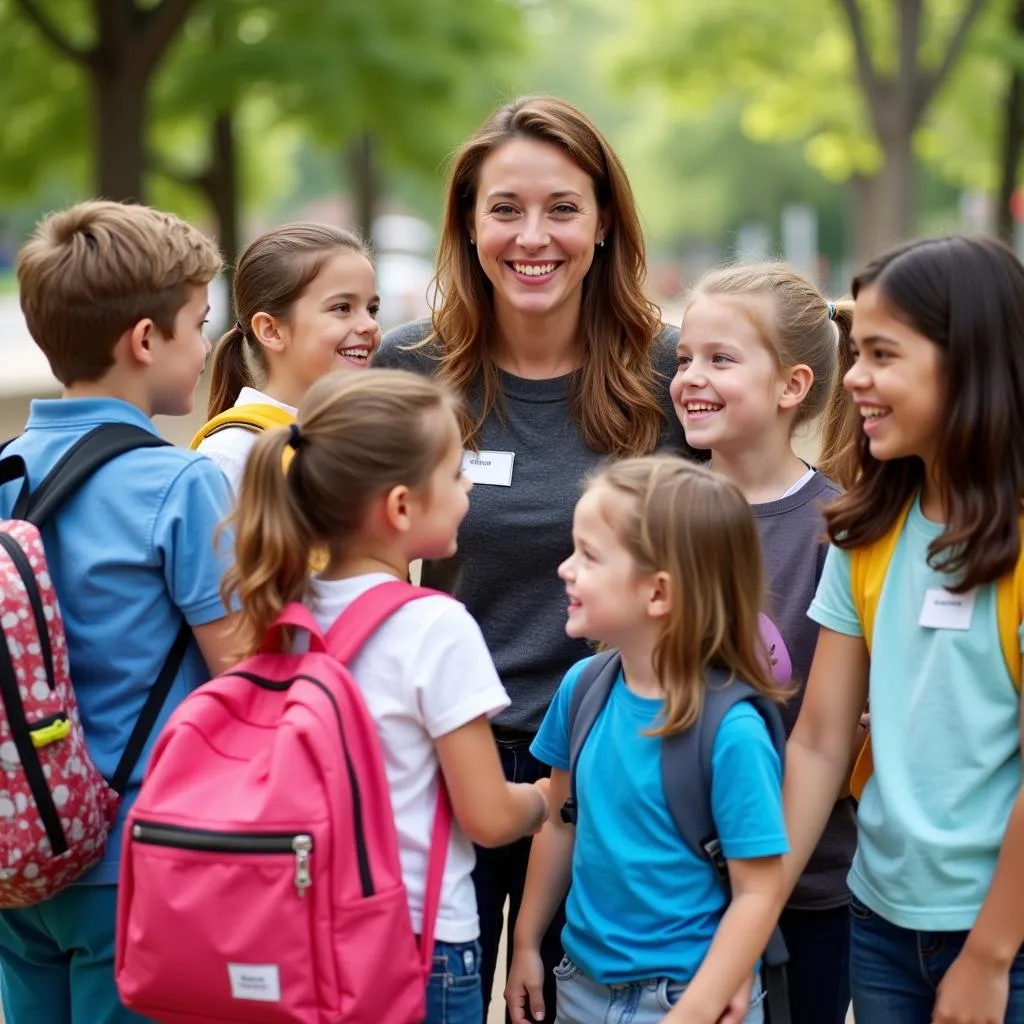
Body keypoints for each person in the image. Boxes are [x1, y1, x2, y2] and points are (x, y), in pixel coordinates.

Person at [375, 95, 692, 1020]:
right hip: (441, 769)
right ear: (469, 225)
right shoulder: (412, 370)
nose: (533, 236)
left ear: (603, 224)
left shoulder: (673, 373)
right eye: (505, 209)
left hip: (615, 780)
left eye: (562, 208)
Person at [223, 368, 551, 1024]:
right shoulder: (435, 625)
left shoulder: (280, 607)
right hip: (416, 945)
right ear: (401, 507)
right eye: (457, 477)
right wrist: (544, 802)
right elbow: (485, 815)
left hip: (304, 925)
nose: (467, 493)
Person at [0, 200, 237, 1023]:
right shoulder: (180, 483)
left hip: (19, 848)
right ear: (144, 340)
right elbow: (245, 674)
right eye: (199, 324)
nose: (206, 345)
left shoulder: (4, 474)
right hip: (141, 854)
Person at [779, 236, 1024, 1023]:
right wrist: (754, 912)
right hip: (878, 922)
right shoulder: (868, 535)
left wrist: (989, 955)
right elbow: (820, 742)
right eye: (856, 353)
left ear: (971, 364)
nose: (854, 379)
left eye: (882, 355)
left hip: (1005, 939)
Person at [505, 456, 788, 1024]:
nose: (565, 569)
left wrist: (699, 1007)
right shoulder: (582, 688)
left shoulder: (732, 732)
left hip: (688, 998)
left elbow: (759, 891)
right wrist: (527, 943)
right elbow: (560, 821)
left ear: (658, 593)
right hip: (580, 987)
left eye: (588, 556)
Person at [670, 263, 856, 1024]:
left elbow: (832, 730)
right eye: (684, 358)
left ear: (791, 386)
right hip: (665, 884)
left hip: (804, 892)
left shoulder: (839, 532)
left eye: (720, 359)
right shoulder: (652, 511)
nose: (690, 378)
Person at [194, 223, 380, 491]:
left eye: (372, 309)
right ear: (271, 330)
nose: (370, 325)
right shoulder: (233, 454)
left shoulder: (362, 440)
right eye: (342, 308)